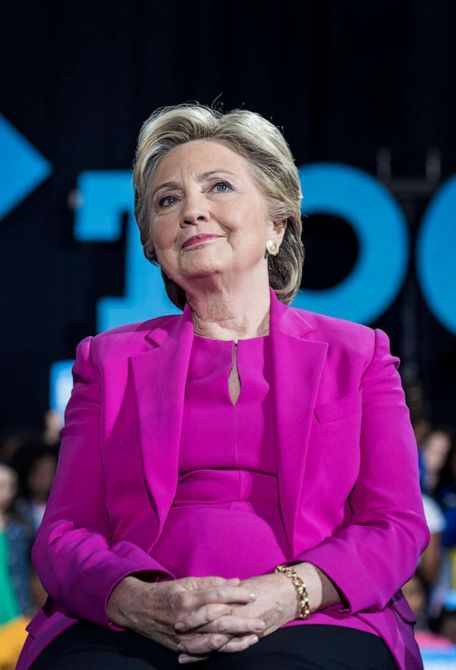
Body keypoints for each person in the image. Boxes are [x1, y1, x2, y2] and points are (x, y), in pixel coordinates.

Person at [18, 104, 428, 670]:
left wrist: (289, 592)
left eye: (219, 186)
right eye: (168, 200)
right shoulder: (107, 362)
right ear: (153, 243)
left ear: (277, 226)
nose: (192, 211)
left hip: (314, 614)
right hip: (132, 621)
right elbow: (65, 532)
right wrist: (132, 598)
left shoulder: (358, 355)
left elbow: (395, 525)